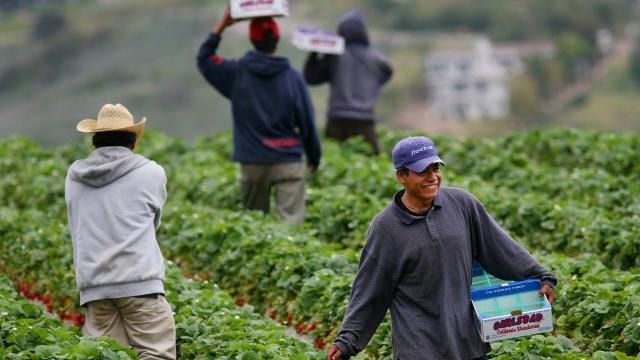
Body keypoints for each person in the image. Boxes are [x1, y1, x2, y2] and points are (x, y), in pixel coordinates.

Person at [327, 136, 557, 360]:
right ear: (402, 176)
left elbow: (500, 249)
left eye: (435, 168)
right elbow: (371, 290)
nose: (432, 177)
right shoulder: (386, 228)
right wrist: (347, 341)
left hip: (468, 343)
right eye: (422, 171)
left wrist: (540, 276)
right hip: (418, 348)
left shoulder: (462, 204)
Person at [65, 103, 176, 359]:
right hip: (140, 284)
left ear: (95, 142)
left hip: (94, 287)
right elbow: (152, 223)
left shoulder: (74, 175)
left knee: (106, 356)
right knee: (155, 354)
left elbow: (75, 223)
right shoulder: (151, 172)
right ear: (133, 142)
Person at [196, 7, 321, 224]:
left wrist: (222, 26)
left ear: (252, 40)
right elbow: (307, 122)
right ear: (277, 39)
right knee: (291, 228)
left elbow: (204, 59)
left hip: (253, 161)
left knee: (254, 226)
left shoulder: (235, 73)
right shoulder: (293, 78)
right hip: (288, 160)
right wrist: (314, 156)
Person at [304, 9, 393, 155]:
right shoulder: (376, 60)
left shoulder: (334, 57)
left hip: (337, 119)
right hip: (365, 120)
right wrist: (373, 84)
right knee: (370, 161)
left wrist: (314, 53)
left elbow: (311, 78)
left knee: (334, 159)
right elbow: (388, 71)